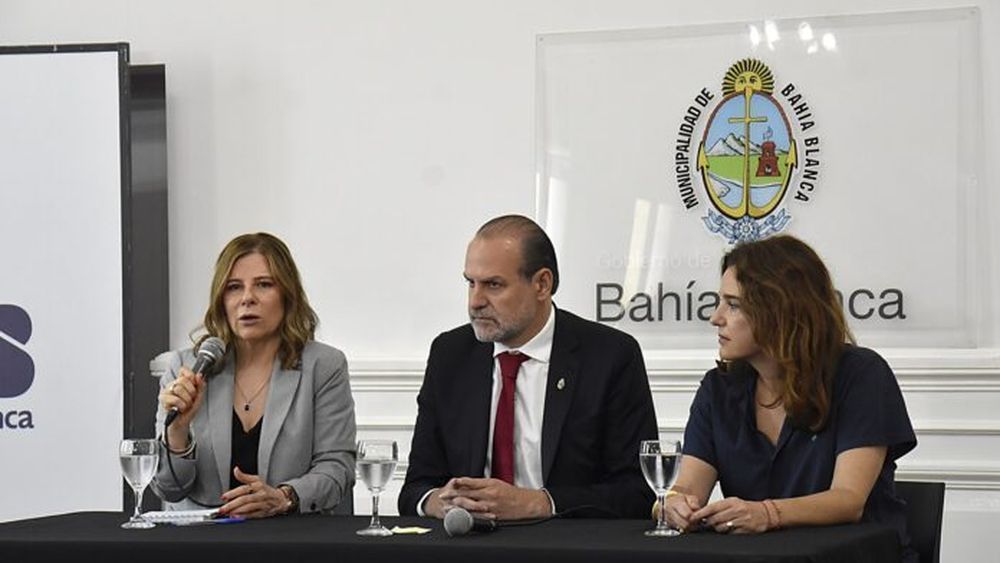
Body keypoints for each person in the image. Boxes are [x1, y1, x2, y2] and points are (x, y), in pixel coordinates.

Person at [663, 235, 916, 562]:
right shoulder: (719, 388)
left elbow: (848, 500)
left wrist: (766, 513)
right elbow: (687, 488)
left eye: (734, 304)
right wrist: (671, 504)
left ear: (780, 309)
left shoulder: (861, 374)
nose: (716, 317)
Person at [399, 214, 658, 520]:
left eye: (493, 285)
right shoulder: (451, 355)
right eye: (471, 283)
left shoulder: (609, 356)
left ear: (542, 284)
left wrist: (538, 503)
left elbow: (638, 491)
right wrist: (441, 503)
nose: (475, 301)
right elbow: (416, 488)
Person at [151, 232, 356, 518]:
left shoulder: (323, 366)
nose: (247, 299)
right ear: (221, 300)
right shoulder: (187, 367)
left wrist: (285, 497)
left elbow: (337, 468)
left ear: (288, 294)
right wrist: (177, 431)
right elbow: (169, 488)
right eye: (234, 287)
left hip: (291, 541)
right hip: (202, 545)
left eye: (263, 284)